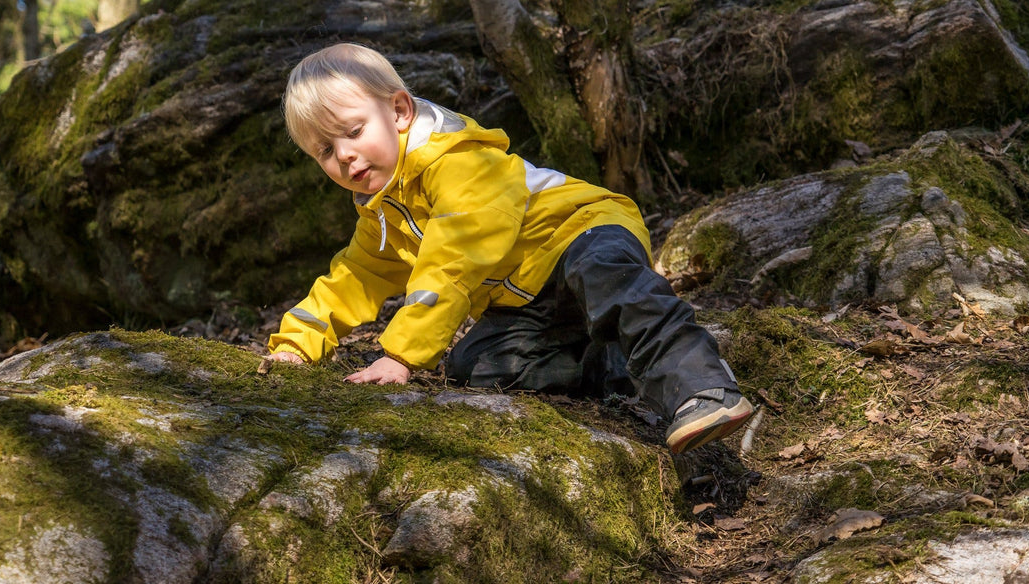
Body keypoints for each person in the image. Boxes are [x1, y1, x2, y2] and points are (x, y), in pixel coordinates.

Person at [266, 42, 754, 455]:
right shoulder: (385, 210)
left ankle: (703, 387)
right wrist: (296, 345)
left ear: (398, 111)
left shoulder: (461, 164)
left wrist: (402, 354)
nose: (344, 154)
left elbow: (455, 257)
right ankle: (610, 364)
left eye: (352, 132)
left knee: (606, 278)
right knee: (472, 366)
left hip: (582, 230)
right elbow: (354, 276)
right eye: (325, 151)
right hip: (530, 298)